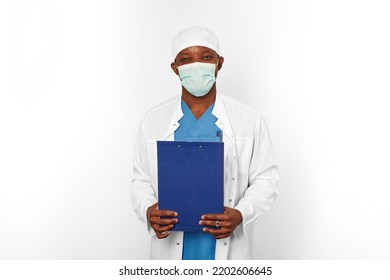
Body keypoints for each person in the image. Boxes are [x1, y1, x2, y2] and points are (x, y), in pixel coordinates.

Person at [130, 26, 279, 260]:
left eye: (206, 57)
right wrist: (149, 211)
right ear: (174, 68)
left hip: (228, 252)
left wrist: (241, 214)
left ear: (219, 63)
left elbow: (266, 179)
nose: (196, 66)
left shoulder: (249, 118)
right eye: (186, 59)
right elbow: (140, 180)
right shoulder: (153, 119)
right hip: (169, 250)